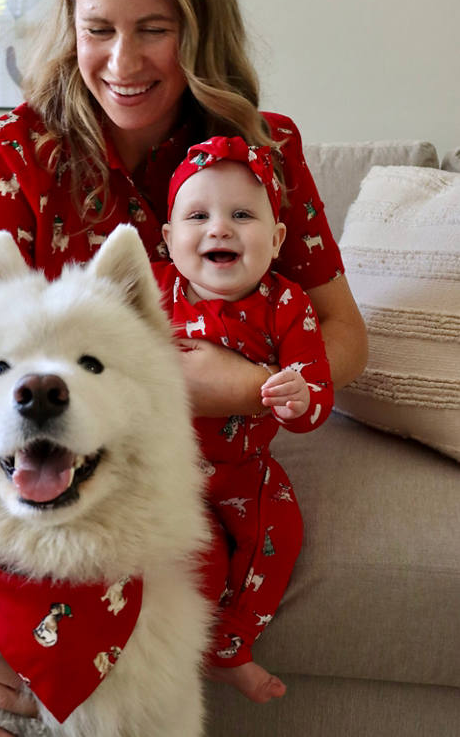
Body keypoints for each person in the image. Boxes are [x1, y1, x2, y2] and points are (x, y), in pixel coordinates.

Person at [0, 0, 367, 734]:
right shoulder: (16, 149)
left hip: (168, 436)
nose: (123, 61)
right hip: (0, 412)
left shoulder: (260, 151)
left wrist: (237, 389)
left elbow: (344, 332)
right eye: (99, 30)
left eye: (154, 30)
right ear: (71, 29)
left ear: (200, 34)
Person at [153, 135, 333, 702]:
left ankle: (232, 645)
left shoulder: (287, 305)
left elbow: (316, 384)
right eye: (198, 215)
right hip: (160, 465)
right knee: (193, 559)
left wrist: (300, 399)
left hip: (242, 466)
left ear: (277, 240)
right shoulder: (156, 291)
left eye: (242, 215)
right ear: (168, 239)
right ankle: (188, 651)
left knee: (278, 533)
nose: (219, 229)